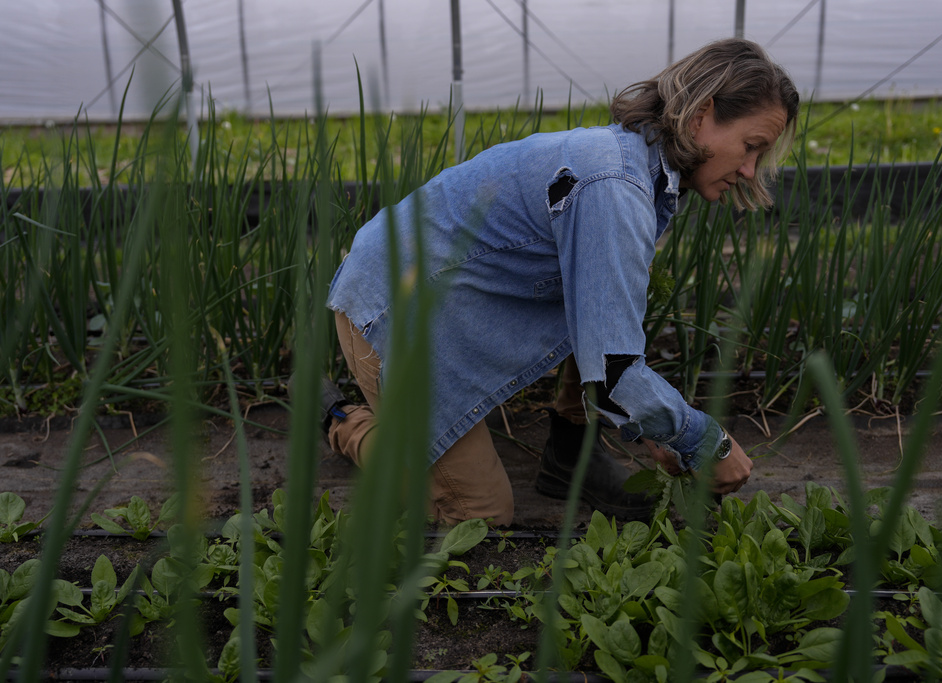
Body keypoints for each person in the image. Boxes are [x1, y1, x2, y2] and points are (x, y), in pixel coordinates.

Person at [318, 38, 799, 527]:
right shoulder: (614, 185)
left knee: (613, 293)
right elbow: (616, 375)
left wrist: (657, 430)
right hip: (389, 311)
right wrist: (702, 439)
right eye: (751, 146)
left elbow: (606, 322)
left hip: (444, 298)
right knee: (478, 514)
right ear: (701, 115)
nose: (749, 170)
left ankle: (570, 455)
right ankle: (344, 421)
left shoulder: (637, 170)